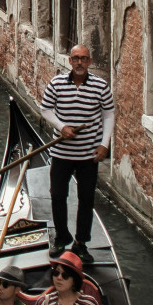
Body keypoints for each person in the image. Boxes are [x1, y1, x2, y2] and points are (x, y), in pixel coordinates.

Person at [40, 44, 113, 263]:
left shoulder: (100, 86)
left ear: (89, 62)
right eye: (75, 58)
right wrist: (62, 127)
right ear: (70, 61)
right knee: (58, 195)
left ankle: (81, 243)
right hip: (61, 152)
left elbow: (108, 114)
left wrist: (104, 145)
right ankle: (62, 237)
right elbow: (45, 109)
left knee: (86, 199)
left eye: (83, 59)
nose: (79, 62)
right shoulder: (57, 83)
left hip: (88, 154)